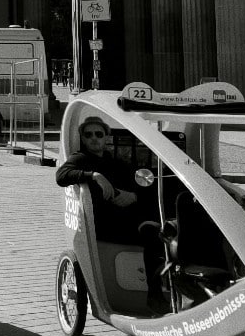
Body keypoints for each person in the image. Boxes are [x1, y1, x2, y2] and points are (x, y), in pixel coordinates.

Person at [54, 115, 165, 310]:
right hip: (102, 225)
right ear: (83, 138)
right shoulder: (80, 159)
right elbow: (61, 176)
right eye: (88, 135)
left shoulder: (117, 163)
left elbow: (141, 185)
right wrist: (94, 176)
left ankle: (156, 295)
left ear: (106, 137)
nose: (94, 138)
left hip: (127, 221)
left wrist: (133, 196)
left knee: (158, 234)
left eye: (99, 134)